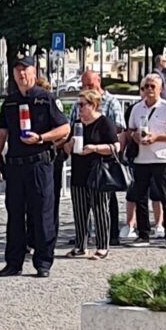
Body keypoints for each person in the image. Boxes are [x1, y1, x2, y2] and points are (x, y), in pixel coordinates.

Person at [0, 56, 70, 276]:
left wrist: (41, 138)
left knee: (42, 213)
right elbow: (1, 134)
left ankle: (43, 262)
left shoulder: (45, 98)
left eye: (25, 71)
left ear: (33, 73)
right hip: (15, 166)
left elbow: (64, 129)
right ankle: (14, 262)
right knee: (14, 214)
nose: (21, 75)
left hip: (39, 163)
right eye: (17, 72)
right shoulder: (11, 101)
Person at [125, 73, 166, 245]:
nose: (148, 90)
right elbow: (130, 130)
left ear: (160, 89)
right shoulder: (137, 108)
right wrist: (134, 136)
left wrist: (157, 137)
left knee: (165, 197)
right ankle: (143, 234)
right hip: (141, 158)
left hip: (160, 158)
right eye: (145, 87)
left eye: (152, 86)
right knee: (140, 196)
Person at [68, 88, 121, 259]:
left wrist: (95, 148)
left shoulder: (104, 123)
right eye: (78, 104)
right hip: (79, 171)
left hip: (98, 172)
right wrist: (70, 144)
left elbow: (115, 147)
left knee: (100, 209)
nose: (79, 108)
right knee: (80, 210)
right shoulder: (77, 124)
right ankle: (81, 245)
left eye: (82, 104)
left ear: (94, 105)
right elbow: (67, 147)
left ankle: (102, 245)